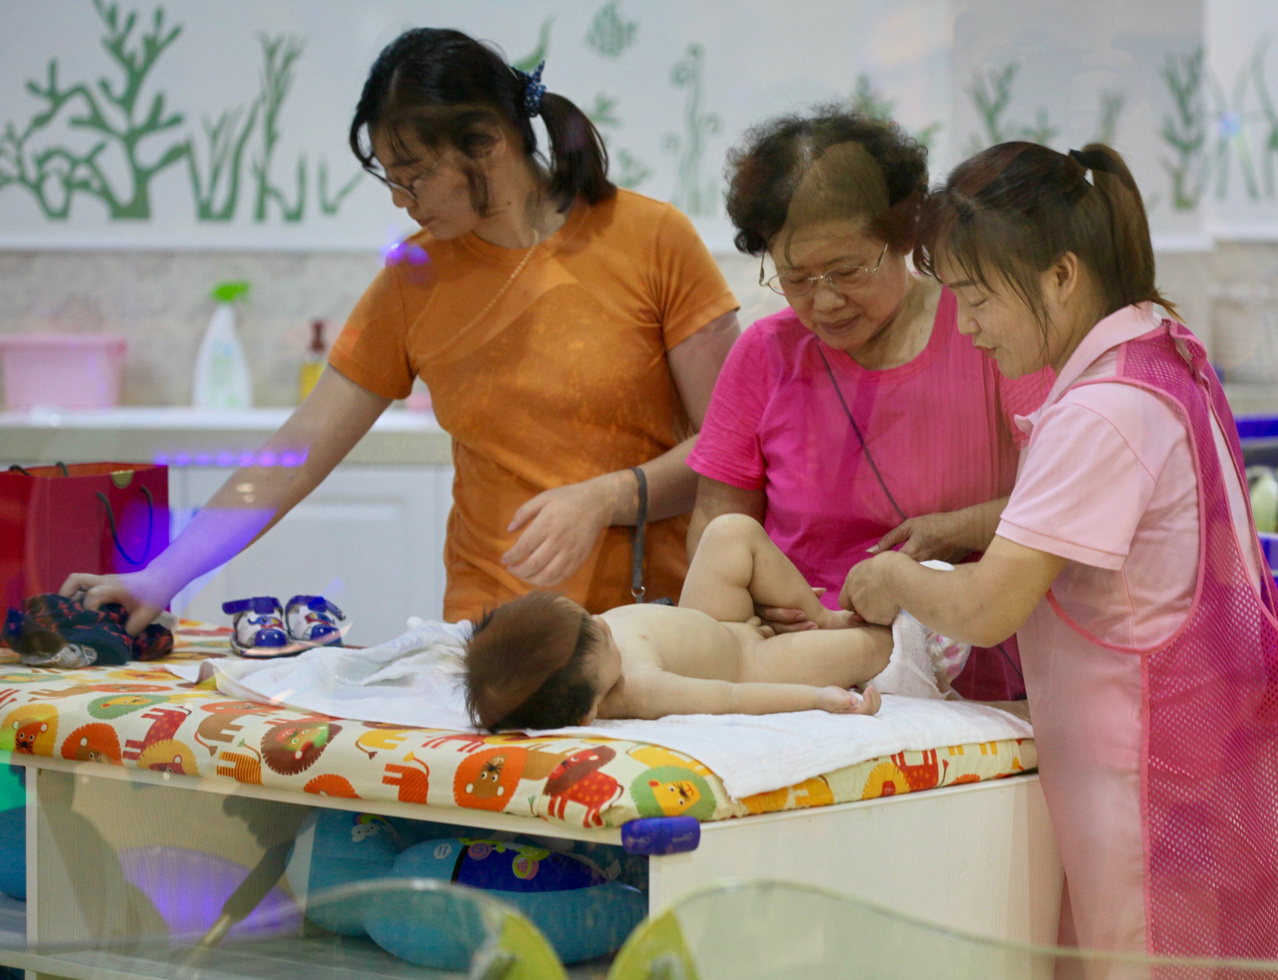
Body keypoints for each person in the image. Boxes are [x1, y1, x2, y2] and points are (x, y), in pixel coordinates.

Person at [839, 143, 1278, 980]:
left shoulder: (1102, 409)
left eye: (980, 298)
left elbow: (987, 609)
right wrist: (967, 522)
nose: (970, 327)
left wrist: (893, 583)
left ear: (1061, 276)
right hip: (1219, 786)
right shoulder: (1161, 352)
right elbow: (1110, 506)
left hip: (1165, 812)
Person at [61, 29, 739, 637]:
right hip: (496, 641)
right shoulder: (415, 277)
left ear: (488, 144)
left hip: (658, 628)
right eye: (391, 178)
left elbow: (733, 451)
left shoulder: (652, 239)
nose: (398, 199)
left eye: (413, 176)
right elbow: (295, 450)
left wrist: (608, 496)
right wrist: (163, 574)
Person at [685, 107, 1052, 702]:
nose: (824, 302)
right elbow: (716, 526)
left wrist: (957, 529)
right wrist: (756, 618)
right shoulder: (765, 354)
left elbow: (1065, 502)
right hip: (806, 674)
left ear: (904, 236)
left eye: (847, 270)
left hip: (978, 678)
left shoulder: (989, 333)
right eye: (796, 278)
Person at [463, 514, 888, 730]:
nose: (605, 624)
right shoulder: (640, 688)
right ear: (588, 714)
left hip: (709, 615)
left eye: (591, 619)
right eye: (598, 638)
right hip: (754, 660)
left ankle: (822, 617)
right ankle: (885, 631)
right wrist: (815, 698)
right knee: (874, 646)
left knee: (729, 532)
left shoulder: (578, 656)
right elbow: (731, 696)